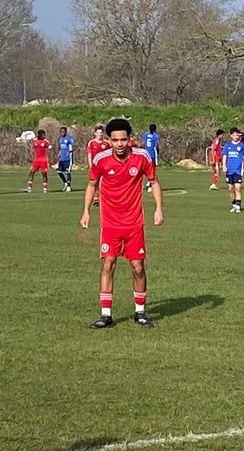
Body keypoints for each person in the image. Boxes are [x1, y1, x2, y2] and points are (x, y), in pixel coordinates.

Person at [80, 117, 163, 329]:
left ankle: (140, 312)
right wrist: (86, 211)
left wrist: (158, 208)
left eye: (123, 140)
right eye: (115, 140)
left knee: (138, 267)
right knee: (108, 264)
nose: (119, 144)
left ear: (129, 139)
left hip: (134, 223)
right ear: (109, 140)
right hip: (110, 223)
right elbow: (91, 184)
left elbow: (154, 182)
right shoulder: (101, 159)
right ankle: (106, 315)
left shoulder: (142, 157)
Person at [222, 127, 244, 212]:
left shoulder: (242, 145)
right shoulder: (227, 145)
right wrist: (224, 166)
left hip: (238, 170)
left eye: (237, 135)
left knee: (238, 188)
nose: (236, 137)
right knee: (231, 189)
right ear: (231, 135)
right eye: (234, 135)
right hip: (229, 170)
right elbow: (224, 156)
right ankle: (234, 204)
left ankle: (238, 206)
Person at [142, 123, 160, 192]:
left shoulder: (146, 134)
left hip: (145, 154)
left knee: (144, 170)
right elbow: (156, 146)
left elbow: (143, 143)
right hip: (152, 154)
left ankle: (143, 184)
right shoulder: (156, 136)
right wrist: (158, 152)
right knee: (153, 170)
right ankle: (150, 186)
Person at [56, 126, 75, 192]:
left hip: (68, 158)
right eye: (61, 131)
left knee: (68, 172)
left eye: (64, 131)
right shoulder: (60, 139)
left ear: (66, 132)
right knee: (59, 171)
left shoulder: (69, 139)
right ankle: (65, 183)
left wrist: (70, 152)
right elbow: (60, 148)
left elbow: (74, 147)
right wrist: (59, 155)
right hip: (62, 158)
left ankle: (69, 186)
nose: (62, 133)